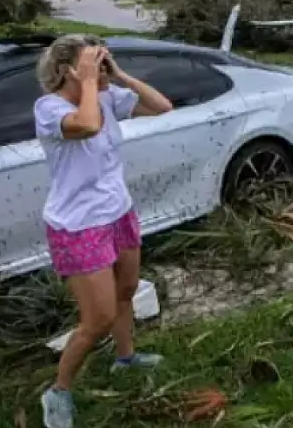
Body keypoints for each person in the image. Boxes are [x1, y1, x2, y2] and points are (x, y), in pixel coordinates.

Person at [34, 35, 173, 428]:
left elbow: (162, 106)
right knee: (97, 319)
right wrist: (93, 83)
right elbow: (88, 125)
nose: (100, 68)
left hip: (118, 213)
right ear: (66, 71)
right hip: (78, 226)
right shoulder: (49, 108)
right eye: (92, 62)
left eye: (102, 61)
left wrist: (120, 75)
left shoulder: (107, 97)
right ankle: (58, 391)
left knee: (126, 292)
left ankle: (125, 359)